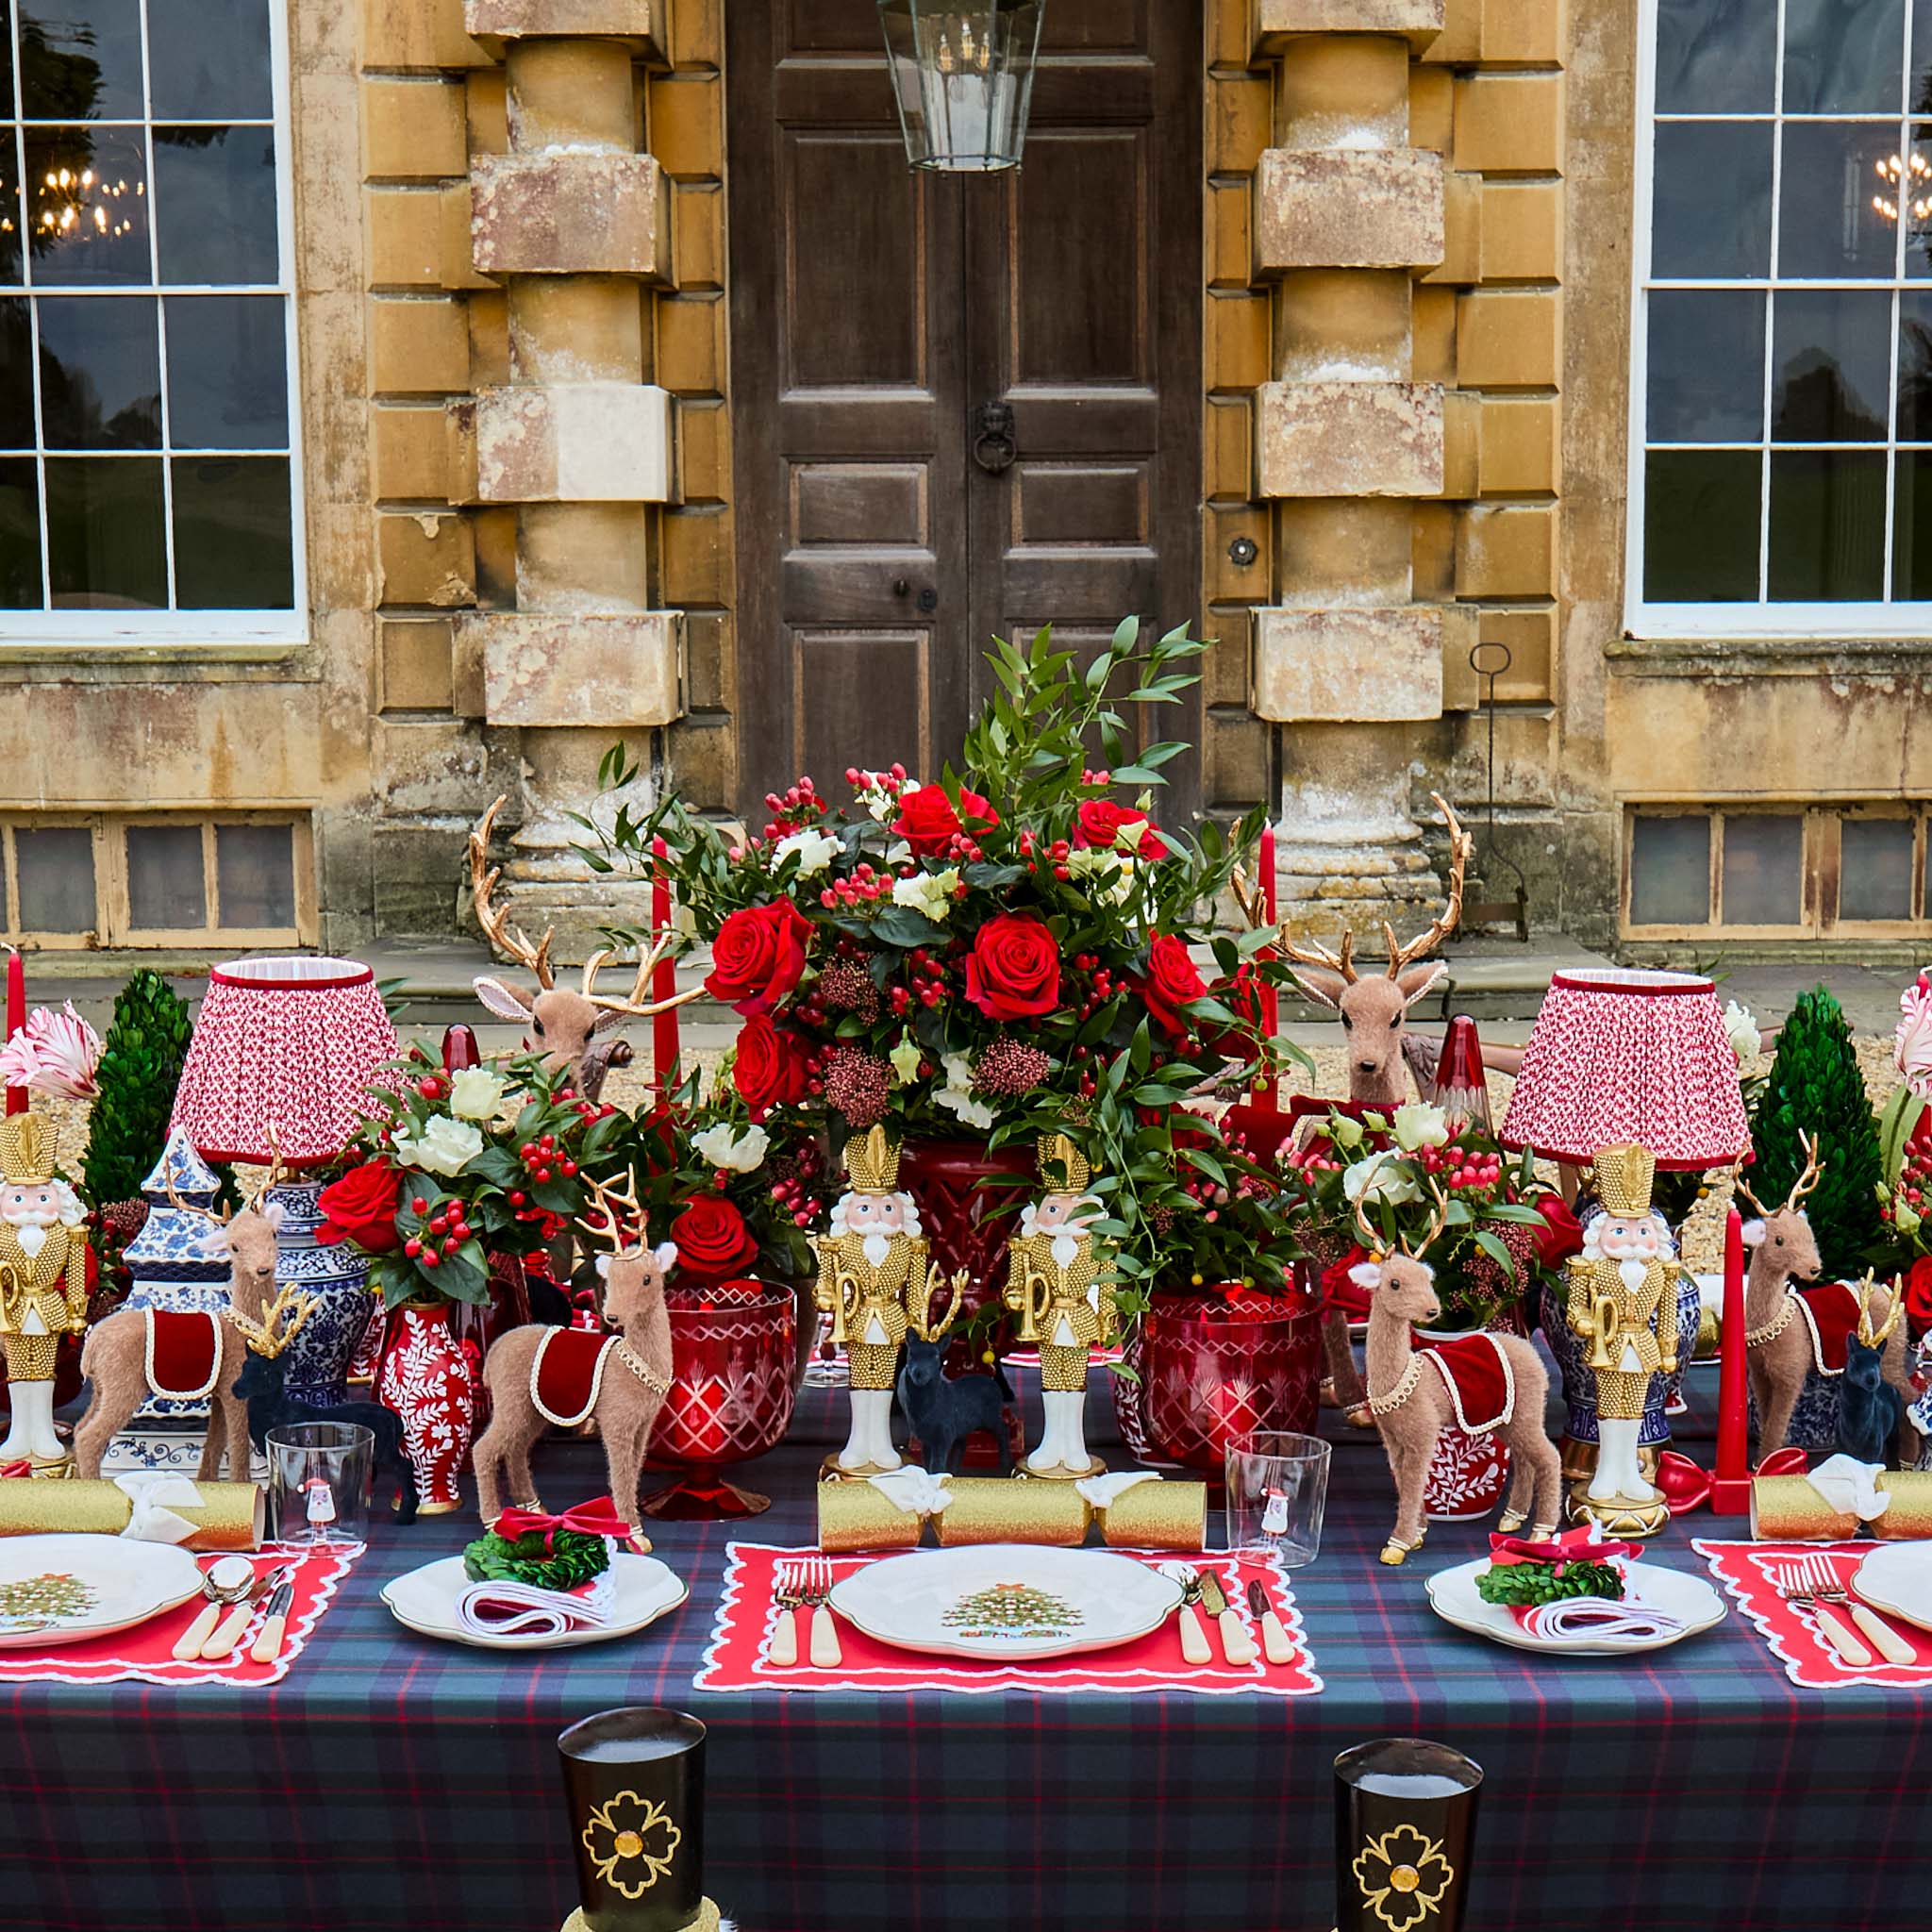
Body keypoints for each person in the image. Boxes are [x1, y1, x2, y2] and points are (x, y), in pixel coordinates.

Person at [1565, 1143, 1679, 1535]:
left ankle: (1629, 1471)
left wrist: (1667, 1349)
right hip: (1608, 1347)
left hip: (1642, 1346)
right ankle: (1606, 1471)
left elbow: (1667, 1314)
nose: (1633, 1239)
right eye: (1620, 1230)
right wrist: (1586, 1325)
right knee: (1608, 1406)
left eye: (1641, 1230)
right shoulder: (1591, 1270)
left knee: (1635, 1408)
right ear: (1602, 1234)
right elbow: (1576, 1309)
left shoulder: (1661, 1273)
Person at [0, 1116, 89, 1467]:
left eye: (40, 1196)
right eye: (19, 1197)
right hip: (14, 1308)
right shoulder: (4, 1235)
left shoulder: (65, 1235)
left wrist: (78, 1309)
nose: (31, 1207)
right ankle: (20, 1431)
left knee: (46, 1368)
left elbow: (78, 1271)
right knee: (19, 1368)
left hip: (50, 1305)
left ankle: (43, 1430)